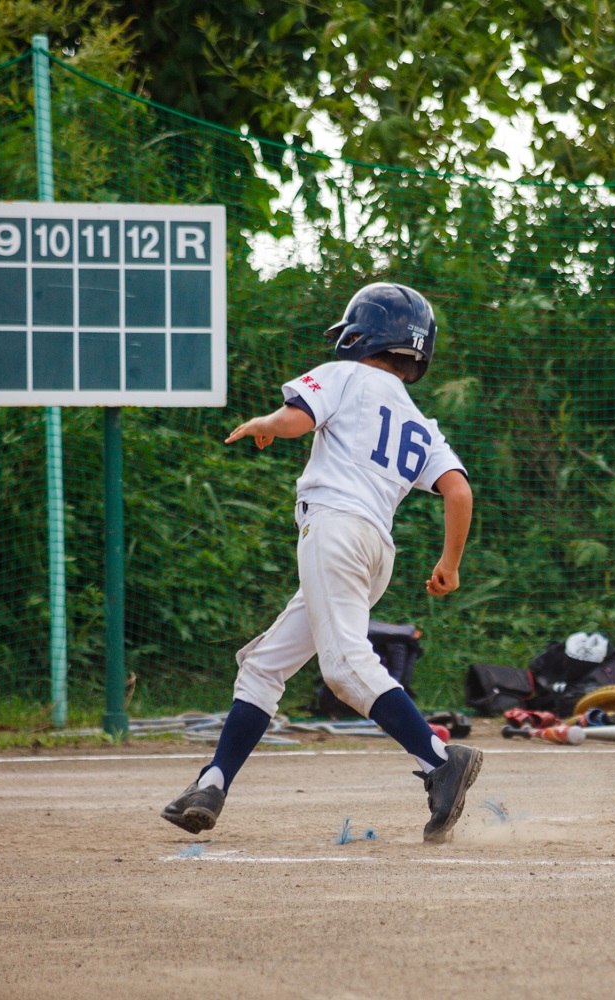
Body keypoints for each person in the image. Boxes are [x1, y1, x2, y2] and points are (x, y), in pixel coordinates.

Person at [161, 282, 484, 841]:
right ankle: (210, 783)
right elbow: (458, 492)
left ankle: (440, 760)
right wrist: (449, 564)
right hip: (374, 549)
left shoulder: (345, 375)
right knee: (263, 666)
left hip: (333, 530)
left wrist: (266, 423)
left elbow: (295, 419)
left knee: (343, 668)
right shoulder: (420, 423)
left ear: (365, 333)